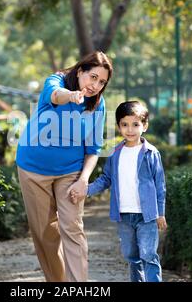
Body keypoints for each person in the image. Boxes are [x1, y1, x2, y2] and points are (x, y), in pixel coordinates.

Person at [15, 51, 113, 282]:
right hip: (33, 170)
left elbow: (93, 149)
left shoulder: (97, 105)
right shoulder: (56, 81)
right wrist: (72, 96)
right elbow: (55, 95)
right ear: (80, 71)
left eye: (102, 82)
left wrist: (83, 180)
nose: (96, 85)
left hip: (70, 172)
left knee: (73, 228)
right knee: (46, 233)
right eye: (93, 77)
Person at [70, 100, 168, 282]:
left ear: (144, 126)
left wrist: (160, 213)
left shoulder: (151, 153)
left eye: (135, 124)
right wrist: (87, 190)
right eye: (125, 125)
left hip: (147, 215)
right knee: (131, 254)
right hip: (123, 215)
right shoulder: (114, 153)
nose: (130, 129)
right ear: (118, 127)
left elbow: (160, 184)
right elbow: (106, 179)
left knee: (148, 253)